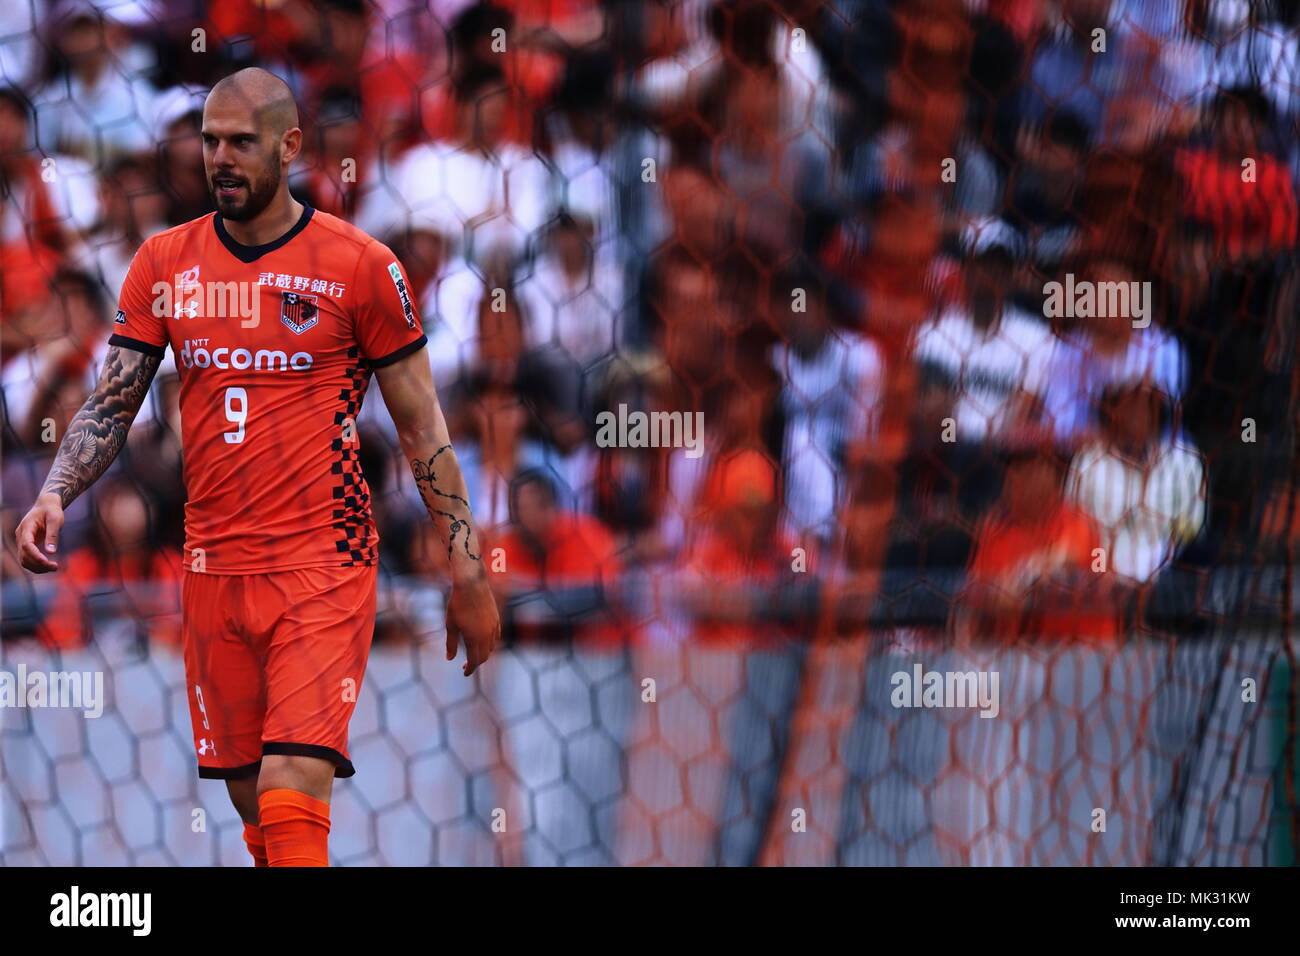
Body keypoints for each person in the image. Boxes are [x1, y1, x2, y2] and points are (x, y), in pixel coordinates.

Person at [14, 68, 500, 868]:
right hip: (213, 569)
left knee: (289, 783)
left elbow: (423, 427)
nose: (222, 158)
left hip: (324, 562)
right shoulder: (165, 264)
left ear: (289, 145)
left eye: (241, 142)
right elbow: (113, 399)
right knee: (256, 811)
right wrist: (54, 492)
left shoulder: (359, 264)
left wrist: (469, 570)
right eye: (210, 142)